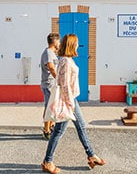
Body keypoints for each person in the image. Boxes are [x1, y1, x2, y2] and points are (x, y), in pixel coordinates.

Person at [41, 34, 105, 174]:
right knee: (59, 131)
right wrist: (70, 104)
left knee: (79, 127)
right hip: (68, 100)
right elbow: (64, 85)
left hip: (70, 99)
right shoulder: (65, 61)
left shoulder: (67, 60)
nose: (77, 46)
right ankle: (47, 161)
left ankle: (91, 155)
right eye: (76, 43)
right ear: (71, 45)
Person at [41, 33, 60, 139]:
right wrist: (59, 79)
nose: (60, 43)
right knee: (49, 107)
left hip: (52, 84)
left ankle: (51, 126)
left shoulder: (52, 53)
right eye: (59, 41)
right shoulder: (48, 53)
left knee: (52, 107)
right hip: (48, 84)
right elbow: (51, 67)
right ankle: (46, 130)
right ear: (55, 42)